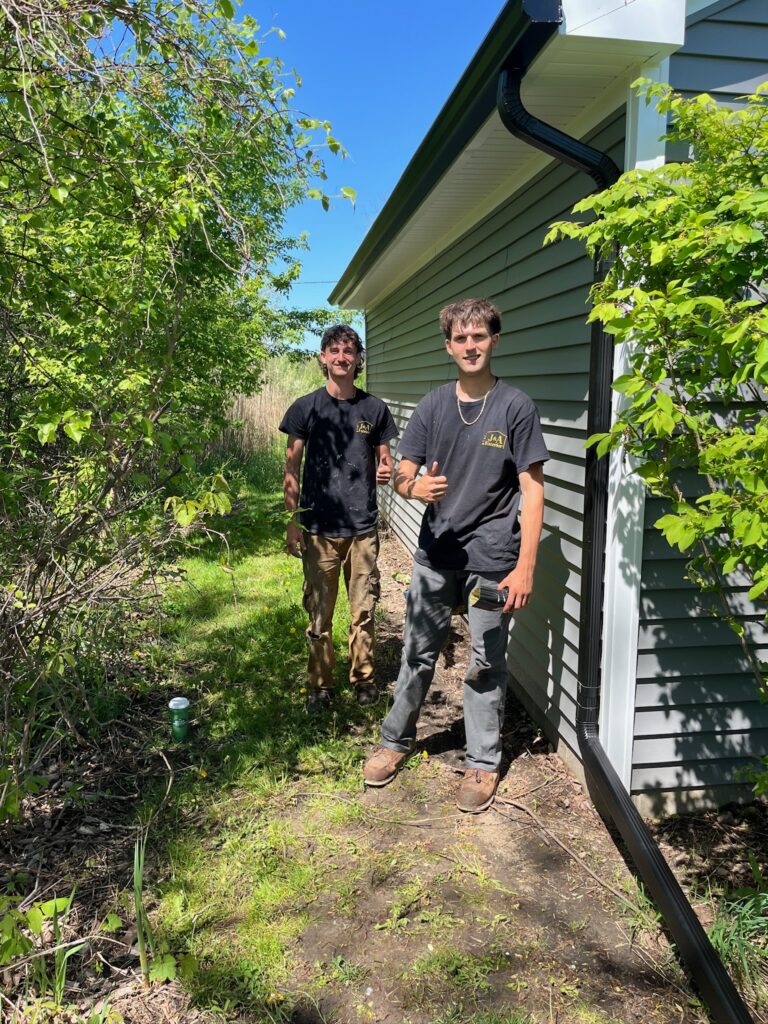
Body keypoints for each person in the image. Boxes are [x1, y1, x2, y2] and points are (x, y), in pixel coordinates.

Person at [363, 297, 548, 813]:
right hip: (436, 553)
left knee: (486, 662)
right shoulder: (433, 406)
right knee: (417, 653)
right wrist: (413, 487)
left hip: (493, 556)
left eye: (479, 336)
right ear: (449, 346)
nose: (471, 345)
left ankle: (483, 763)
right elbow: (402, 472)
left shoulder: (515, 407)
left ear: (494, 340)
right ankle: (394, 741)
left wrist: (525, 564)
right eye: (461, 338)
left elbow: (532, 490)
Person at [279, 324, 399, 711]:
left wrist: (386, 469)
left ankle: (363, 679)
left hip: (362, 527)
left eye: (349, 351)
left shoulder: (374, 409)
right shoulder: (306, 407)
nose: (342, 357)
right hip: (319, 528)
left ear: (358, 359)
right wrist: (293, 520)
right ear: (322, 358)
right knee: (319, 611)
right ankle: (320, 685)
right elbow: (291, 467)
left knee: (363, 609)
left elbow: (385, 461)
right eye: (334, 350)